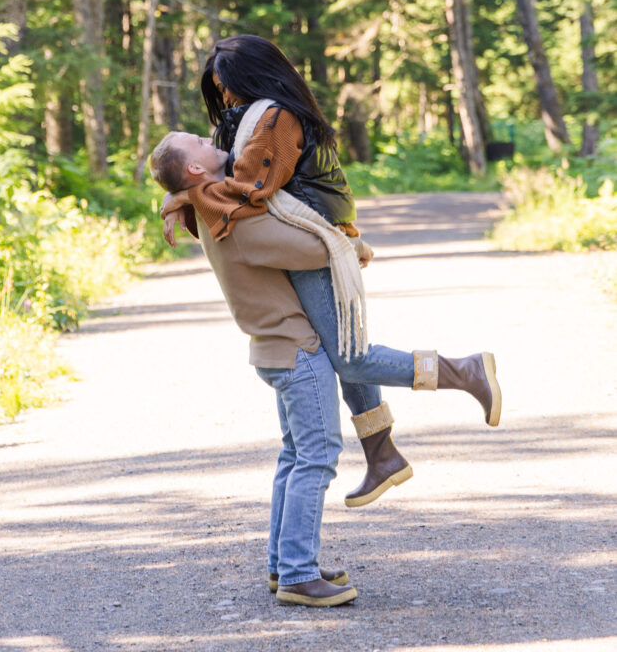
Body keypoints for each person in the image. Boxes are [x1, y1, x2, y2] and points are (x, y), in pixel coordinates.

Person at [161, 35, 502, 507]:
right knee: (346, 351)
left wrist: (184, 195)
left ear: (252, 77)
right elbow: (218, 194)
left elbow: (246, 191)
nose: (223, 97)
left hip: (310, 241)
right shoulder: (246, 119)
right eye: (217, 89)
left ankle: (464, 372)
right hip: (298, 235)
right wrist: (182, 191)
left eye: (227, 86)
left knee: (351, 358)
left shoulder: (275, 118)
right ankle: (381, 454)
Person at [150, 131, 358, 608]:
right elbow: (312, 252)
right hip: (297, 350)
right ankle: (299, 576)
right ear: (198, 172)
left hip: (274, 349)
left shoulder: (207, 205)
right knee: (316, 457)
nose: (210, 136)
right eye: (198, 141)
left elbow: (184, 184)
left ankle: (283, 563)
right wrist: (349, 243)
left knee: (294, 456)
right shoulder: (234, 219)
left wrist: (174, 195)